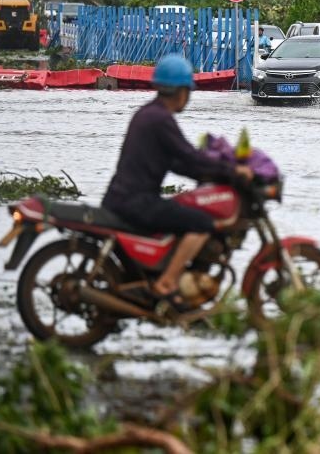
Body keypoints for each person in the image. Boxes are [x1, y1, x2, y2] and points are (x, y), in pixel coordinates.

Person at [102, 54, 253, 309]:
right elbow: (188, 156)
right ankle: (168, 282)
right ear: (181, 92)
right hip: (136, 202)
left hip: (123, 198)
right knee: (202, 223)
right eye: (188, 91)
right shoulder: (161, 120)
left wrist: (209, 174)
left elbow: (179, 163)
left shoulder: (148, 114)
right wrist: (232, 171)